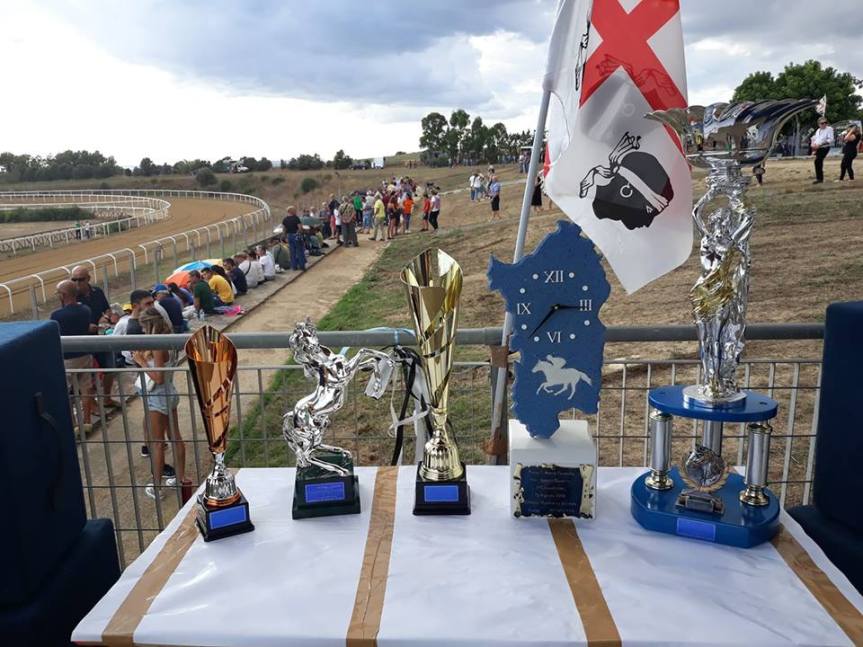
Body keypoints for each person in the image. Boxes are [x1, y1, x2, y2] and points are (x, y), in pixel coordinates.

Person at [133, 307, 185, 501]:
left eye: (142, 325)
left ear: (148, 324)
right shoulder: (168, 338)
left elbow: (159, 377)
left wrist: (141, 362)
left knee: (156, 443)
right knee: (175, 438)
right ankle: (181, 479)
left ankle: (156, 486)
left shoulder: (157, 344)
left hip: (158, 396)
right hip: (169, 393)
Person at [51, 280, 95, 432]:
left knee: (67, 392)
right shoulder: (86, 310)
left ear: (63, 295)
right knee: (85, 389)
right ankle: (87, 421)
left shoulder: (57, 315)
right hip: (85, 354)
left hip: (68, 359)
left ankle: (75, 424)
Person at [70, 265, 118, 408]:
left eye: (80, 280)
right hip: (84, 341)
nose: (77, 283)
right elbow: (69, 322)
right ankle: (93, 406)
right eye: (74, 280)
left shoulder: (97, 292)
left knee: (110, 367)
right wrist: (87, 327)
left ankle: (107, 398)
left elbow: (107, 309)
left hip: (101, 337)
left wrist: (106, 316)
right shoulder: (71, 298)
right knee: (89, 376)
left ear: (88, 279)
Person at [282, 206, 306, 270]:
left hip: (289, 236)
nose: (296, 211)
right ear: (291, 211)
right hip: (296, 235)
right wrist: (299, 233)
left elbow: (284, 229)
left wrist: (284, 237)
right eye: (294, 210)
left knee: (292, 252)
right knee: (299, 251)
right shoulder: (296, 218)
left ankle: (294, 266)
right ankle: (302, 266)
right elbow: (300, 228)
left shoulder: (285, 219)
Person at [811, 117, 834, 184]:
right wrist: (814, 144)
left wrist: (820, 144)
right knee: (817, 162)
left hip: (825, 147)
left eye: (825, 123)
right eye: (822, 123)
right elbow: (815, 138)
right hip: (818, 147)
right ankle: (819, 178)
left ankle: (820, 179)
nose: (824, 124)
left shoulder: (829, 129)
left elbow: (830, 140)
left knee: (818, 161)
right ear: (819, 124)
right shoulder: (818, 130)